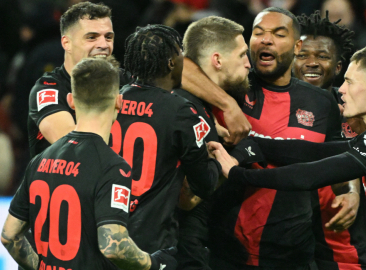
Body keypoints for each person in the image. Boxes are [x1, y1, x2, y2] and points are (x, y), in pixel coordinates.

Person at [210, 46, 366, 270]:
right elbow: (311, 151)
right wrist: (248, 141)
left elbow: (309, 175)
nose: (341, 90)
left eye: (350, 82)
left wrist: (237, 173)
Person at [181, 7, 354, 270]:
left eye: (278, 33)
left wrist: (350, 191)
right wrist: (227, 103)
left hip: (293, 254)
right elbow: (179, 67)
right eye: (258, 32)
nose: (266, 39)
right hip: (224, 250)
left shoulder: (321, 102)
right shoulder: (231, 83)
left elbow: (337, 157)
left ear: (296, 47)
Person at [2, 58, 176, 270]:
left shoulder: (40, 160)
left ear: (71, 101)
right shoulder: (113, 167)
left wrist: (39, 267)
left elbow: (9, 236)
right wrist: (154, 263)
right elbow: (113, 246)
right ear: (119, 101)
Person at [110, 24, 222, 255]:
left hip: (104, 234)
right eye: (180, 53)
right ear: (171, 62)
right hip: (150, 243)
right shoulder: (181, 111)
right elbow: (205, 184)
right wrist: (220, 158)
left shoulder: (112, 99)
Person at [294, 11, 366, 269]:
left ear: (339, 67)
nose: (312, 63)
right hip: (281, 242)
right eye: (302, 55)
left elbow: (355, 158)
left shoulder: (359, 114)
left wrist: (353, 192)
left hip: (345, 244)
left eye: (322, 56)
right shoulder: (267, 103)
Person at [173, 16, 253, 270]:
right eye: (242, 55)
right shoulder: (189, 109)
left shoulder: (189, 101)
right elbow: (187, 196)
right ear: (217, 60)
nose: (248, 64)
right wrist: (231, 160)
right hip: (183, 247)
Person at [27, 1, 132, 158]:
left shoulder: (126, 82)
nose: (103, 45)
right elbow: (72, 146)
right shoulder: (49, 89)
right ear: (67, 43)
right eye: (92, 37)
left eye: (108, 37)